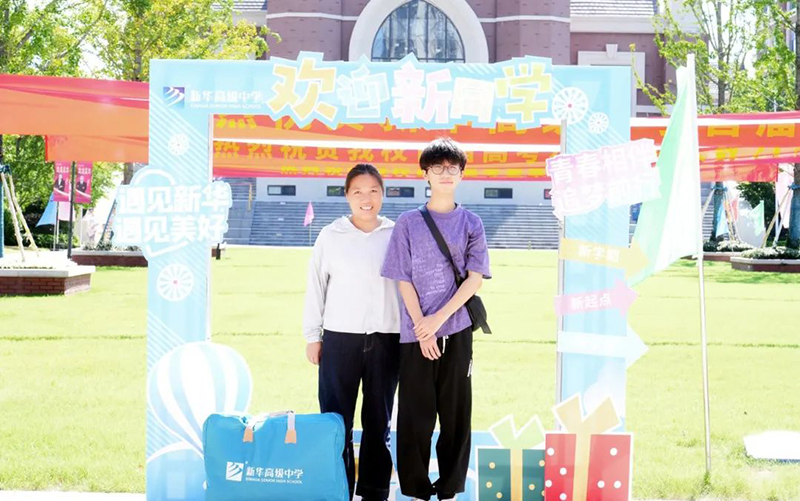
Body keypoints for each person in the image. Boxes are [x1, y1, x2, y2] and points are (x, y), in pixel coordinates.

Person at [381, 138, 491, 501]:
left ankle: (449, 489)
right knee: (415, 414)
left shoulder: (471, 223)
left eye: (452, 168)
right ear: (425, 174)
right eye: (437, 167)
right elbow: (402, 278)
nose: (445, 174)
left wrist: (438, 320)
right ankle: (415, 489)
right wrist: (422, 328)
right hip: (416, 334)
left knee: (456, 413)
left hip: (457, 331)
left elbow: (474, 279)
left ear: (461, 174)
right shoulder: (408, 223)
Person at [302, 163, 401, 501]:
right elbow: (316, 286)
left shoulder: (396, 233)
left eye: (373, 190)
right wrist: (313, 336)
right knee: (335, 422)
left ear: (383, 194)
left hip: (387, 339)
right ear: (347, 195)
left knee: (379, 423)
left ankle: (375, 492)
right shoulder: (331, 235)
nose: (366, 198)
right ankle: (338, 491)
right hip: (339, 339)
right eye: (358, 191)